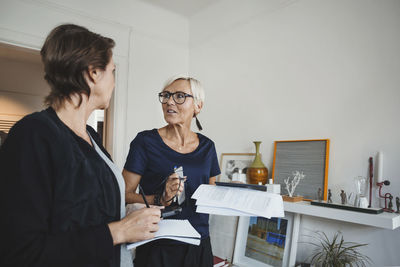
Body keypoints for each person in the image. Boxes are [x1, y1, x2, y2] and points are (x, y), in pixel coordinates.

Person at [0, 24, 161, 267]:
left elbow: (89, 214)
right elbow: (21, 251)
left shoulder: (92, 137)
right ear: (93, 73)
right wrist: (118, 231)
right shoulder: (32, 136)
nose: (114, 82)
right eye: (112, 71)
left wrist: (133, 220)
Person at [123, 76, 221, 267]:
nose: (169, 101)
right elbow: (123, 195)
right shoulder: (145, 142)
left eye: (179, 96)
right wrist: (159, 199)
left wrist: (232, 194)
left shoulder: (208, 147)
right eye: (166, 95)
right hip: (157, 244)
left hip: (198, 244)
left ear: (198, 106)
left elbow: (211, 194)